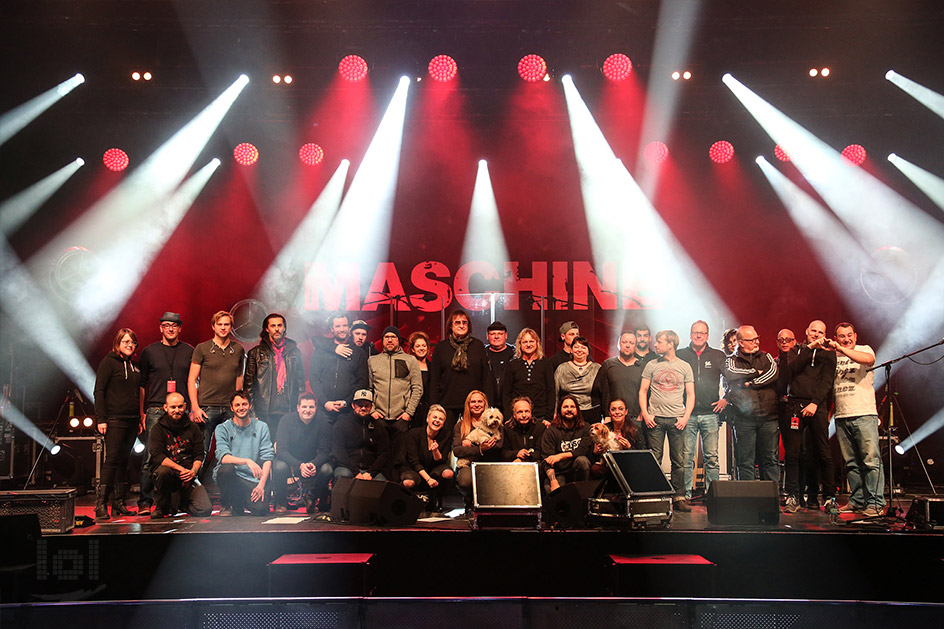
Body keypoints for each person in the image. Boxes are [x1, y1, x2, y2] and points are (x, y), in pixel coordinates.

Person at [137, 311, 194, 516]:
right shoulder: (149, 352)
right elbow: (141, 385)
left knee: (182, 453)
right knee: (151, 456)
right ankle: (145, 501)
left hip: (181, 410)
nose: (170, 328)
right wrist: (141, 412)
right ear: (160, 328)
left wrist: (193, 407)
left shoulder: (189, 351)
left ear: (180, 328)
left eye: (174, 325)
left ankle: (179, 500)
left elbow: (194, 381)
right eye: (166, 325)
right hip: (155, 409)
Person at [778, 320, 838, 514]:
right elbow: (793, 368)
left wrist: (815, 403)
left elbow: (826, 381)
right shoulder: (796, 350)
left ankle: (829, 497)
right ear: (806, 331)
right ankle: (793, 495)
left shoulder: (829, 354)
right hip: (795, 405)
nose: (816, 334)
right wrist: (809, 348)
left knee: (823, 451)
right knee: (793, 454)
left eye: (820, 332)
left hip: (817, 406)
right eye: (813, 331)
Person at [827, 322, 885, 517]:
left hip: (864, 413)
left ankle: (875, 503)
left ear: (855, 335)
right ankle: (858, 500)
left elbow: (869, 360)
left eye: (849, 335)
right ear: (836, 338)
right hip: (842, 415)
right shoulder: (833, 356)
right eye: (842, 336)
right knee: (851, 463)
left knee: (870, 461)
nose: (846, 339)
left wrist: (841, 349)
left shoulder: (863, 349)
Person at [639, 330, 696, 511]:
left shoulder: (685, 366)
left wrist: (685, 417)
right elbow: (642, 391)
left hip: (676, 420)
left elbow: (691, 394)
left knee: (678, 460)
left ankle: (679, 497)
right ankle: (654, 496)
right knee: (654, 458)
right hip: (655, 419)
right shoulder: (651, 364)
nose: (655, 345)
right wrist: (646, 414)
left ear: (670, 344)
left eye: (660, 342)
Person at [94, 328, 142, 521]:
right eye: (126, 342)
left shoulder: (135, 367)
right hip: (114, 419)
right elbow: (99, 391)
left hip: (131, 420)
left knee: (124, 461)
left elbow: (137, 393)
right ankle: (100, 504)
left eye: (132, 342)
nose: (129, 345)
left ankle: (119, 503)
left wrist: (138, 418)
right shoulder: (109, 363)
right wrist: (101, 418)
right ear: (118, 343)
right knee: (112, 459)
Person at [677, 320, 728, 500]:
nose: (698, 335)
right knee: (686, 458)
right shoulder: (680, 354)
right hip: (687, 415)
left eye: (702, 333)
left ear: (707, 335)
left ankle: (714, 496)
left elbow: (733, 379)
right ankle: (685, 495)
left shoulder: (718, 355)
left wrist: (726, 399)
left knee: (712, 458)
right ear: (690, 334)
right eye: (695, 332)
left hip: (710, 414)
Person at [722, 325, 780, 484]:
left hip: (769, 417)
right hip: (744, 418)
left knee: (770, 460)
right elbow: (733, 374)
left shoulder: (767, 357)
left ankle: (772, 502)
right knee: (745, 462)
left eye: (757, 338)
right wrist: (756, 372)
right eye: (752, 340)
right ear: (741, 342)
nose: (756, 342)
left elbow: (773, 374)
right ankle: (748, 502)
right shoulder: (731, 361)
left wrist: (751, 383)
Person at [188, 311, 245, 464]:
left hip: (229, 408)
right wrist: (194, 407)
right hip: (206, 408)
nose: (223, 327)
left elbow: (239, 377)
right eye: (219, 324)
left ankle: (226, 486)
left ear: (231, 327)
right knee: (201, 451)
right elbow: (192, 379)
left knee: (232, 451)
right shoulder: (202, 348)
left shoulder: (238, 349)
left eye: (226, 324)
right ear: (213, 326)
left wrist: (237, 404)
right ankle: (195, 486)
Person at [428, 309, 495, 431]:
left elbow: (486, 377)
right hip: (447, 404)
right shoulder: (441, 347)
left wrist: (488, 404)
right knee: (445, 440)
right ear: (450, 326)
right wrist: (434, 406)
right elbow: (434, 380)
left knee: (473, 442)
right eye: (457, 322)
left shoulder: (478, 345)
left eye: (465, 322)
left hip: (474, 406)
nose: (461, 325)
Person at [148, 392, 211, 519]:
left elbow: (199, 454)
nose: (177, 410)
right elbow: (158, 456)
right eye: (173, 407)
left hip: (189, 474)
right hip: (170, 473)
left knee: (205, 509)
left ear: (185, 406)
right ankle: (161, 506)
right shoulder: (157, 428)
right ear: (165, 407)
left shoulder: (193, 428)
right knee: (162, 472)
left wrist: (193, 472)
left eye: (180, 407)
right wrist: (182, 471)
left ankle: (179, 504)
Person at [243, 313, 306, 439]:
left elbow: (300, 384)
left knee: (287, 447)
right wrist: (252, 412)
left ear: (284, 328)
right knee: (265, 448)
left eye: (279, 325)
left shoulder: (295, 352)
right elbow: (249, 386)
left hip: (289, 408)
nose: (276, 329)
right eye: (273, 326)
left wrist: (299, 409)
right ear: (267, 329)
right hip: (264, 410)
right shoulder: (255, 353)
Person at [213, 392, 275, 516]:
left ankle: (238, 503)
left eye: (244, 404)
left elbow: (268, 457)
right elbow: (223, 457)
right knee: (226, 469)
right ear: (232, 408)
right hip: (232, 475)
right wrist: (247, 461)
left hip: (250, 478)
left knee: (261, 509)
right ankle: (228, 504)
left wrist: (261, 486)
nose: (241, 407)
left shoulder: (261, 427)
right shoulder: (222, 428)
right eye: (237, 405)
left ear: (250, 406)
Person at [272, 392, 334, 514]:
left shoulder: (323, 422)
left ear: (316, 408)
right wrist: (300, 465)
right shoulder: (286, 420)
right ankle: (280, 502)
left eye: (311, 407)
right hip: (290, 462)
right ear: (298, 408)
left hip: (312, 462)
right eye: (304, 407)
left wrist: (314, 464)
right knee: (278, 466)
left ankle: (312, 498)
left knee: (327, 469)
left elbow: (324, 451)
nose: (307, 410)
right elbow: (281, 450)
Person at [309, 313, 369, 425]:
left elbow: (362, 382)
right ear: (331, 329)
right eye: (338, 326)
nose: (342, 329)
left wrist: (346, 402)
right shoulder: (321, 350)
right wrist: (325, 402)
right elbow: (314, 378)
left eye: (344, 326)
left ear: (349, 328)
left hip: (348, 411)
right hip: (323, 410)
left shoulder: (359, 353)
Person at [368, 325, 423, 438]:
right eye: (386, 337)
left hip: (402, 418)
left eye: (393, 337)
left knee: (400, 455)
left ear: (398, 340)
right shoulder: (373, 361)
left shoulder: (410, 360)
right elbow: (369, 388)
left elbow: (417, 388)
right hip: (379, 418)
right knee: (381, 454)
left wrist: (408, 413)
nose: (389, 340)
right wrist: (372, 411)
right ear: (382, 340)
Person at [399, 405, 455, 511]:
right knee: (408, 482)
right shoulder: (414, 434)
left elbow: (441, 460)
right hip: (414, 468)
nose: (437, 421)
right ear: (427, 419)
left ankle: (437, 501)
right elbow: (414, 462)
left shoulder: (446, 435)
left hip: (434, 467)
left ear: (443, 423)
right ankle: (405, 503)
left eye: (441, 419)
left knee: (448, 473)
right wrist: (428, 479)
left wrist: (435, 451)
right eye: (434, 417)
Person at [452, 390, 501, 501]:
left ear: (485, 404)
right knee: (465, 481)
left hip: (491, 462)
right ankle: (469, 501)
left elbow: (498, 446)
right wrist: (479, 449)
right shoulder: (460, 425)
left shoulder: (495, 422)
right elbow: (457, 450)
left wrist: (471, 446)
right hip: (468, 464)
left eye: (480, 401)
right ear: (468, 405)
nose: (477, 404)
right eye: (473, 402)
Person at [332, 389, 391, 481]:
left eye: (366, 405)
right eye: (360, 405)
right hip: (348, 468)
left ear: (371, 407)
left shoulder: (378, 426)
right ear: (353, 405)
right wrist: (356, 472)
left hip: (370, 471)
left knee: (382, 483)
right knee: (343, 475)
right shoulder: (341, 424)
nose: (363, 408)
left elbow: (384, 453)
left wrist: (371, 473)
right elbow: (339, 452)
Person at [501, 328, 555, 424]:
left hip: (541, 416)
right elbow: (506, 393)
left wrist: (548, 417)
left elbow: (551, 391)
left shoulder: (546, 363)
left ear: (537, 343)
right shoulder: (512, 365)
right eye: (525, 342)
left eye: (531, 341)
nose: (528, 344)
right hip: (517, 416)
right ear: (520, 344)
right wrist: (509, 416)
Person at [595, 331, 645, 434]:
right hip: (613, 418)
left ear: (635, 346)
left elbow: (647, 392)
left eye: (631, 343)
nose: (627, 345)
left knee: (635, 449)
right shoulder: (608, 365)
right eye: (624, 342)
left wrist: (643, 412)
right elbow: (602, 392)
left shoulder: (642, 366)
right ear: (619, 344)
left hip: (636, 418)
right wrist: (606, 415)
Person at [540, 395, 592, 492]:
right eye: (565, 407)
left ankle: (583, 497)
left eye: (572, 407)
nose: (569, 410)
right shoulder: (551, 431)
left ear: (577, 410)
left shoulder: (585, 428)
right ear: (560, 410)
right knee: (551, 490)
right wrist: (553, 481)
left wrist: (561, 456)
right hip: (559, 473)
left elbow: (583, 450)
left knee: (582, 460)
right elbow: (546, 459)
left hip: (578, 472)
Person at [591, 397, 646, 478]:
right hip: (607, 465)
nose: (617, 412)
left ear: (626, 411)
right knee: (595, 469)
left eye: (621, 409)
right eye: (613, 409)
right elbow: (592, 452)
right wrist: (595, 452)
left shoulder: (635, 429)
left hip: (627, 465)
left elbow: (643, 454)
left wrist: (629, 448)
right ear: (609, 413)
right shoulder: (603, 428)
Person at [554, 336, 602, 421]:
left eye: (583, 347)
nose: (579, 350)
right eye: (576, 347)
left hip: (592, 413)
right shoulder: (562, 369)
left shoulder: (597, 368)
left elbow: (605, 394)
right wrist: (554, 414)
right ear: (571, 350)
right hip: (568, 413)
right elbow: (555, 394)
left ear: (588, 351)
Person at [501, 396, 547, 465]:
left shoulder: (540, 428)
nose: (524, 415)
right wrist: (517, 454)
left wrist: (525, 458)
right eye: (520, 412)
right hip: (513, 465)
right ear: (514, 415)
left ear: (531, 413)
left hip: (535, 465)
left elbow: (541, 452)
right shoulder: (507, 429)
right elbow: (503, 453)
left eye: (527, 411)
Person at [484, 321, 515, 410]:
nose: (496, 336)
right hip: (487, 405)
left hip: (511, 405)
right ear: (487, 336)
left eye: (500, 334)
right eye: (492, 334)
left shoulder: (515, 355)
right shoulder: (481, 354)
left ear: (506, 335)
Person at [405, 331, 432, 428]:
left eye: (424, 346)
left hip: (428, 410)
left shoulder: (432, 367)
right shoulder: (407, 367)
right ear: (412, 349)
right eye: (418, 346)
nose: (421, 348)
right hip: (412, 411)